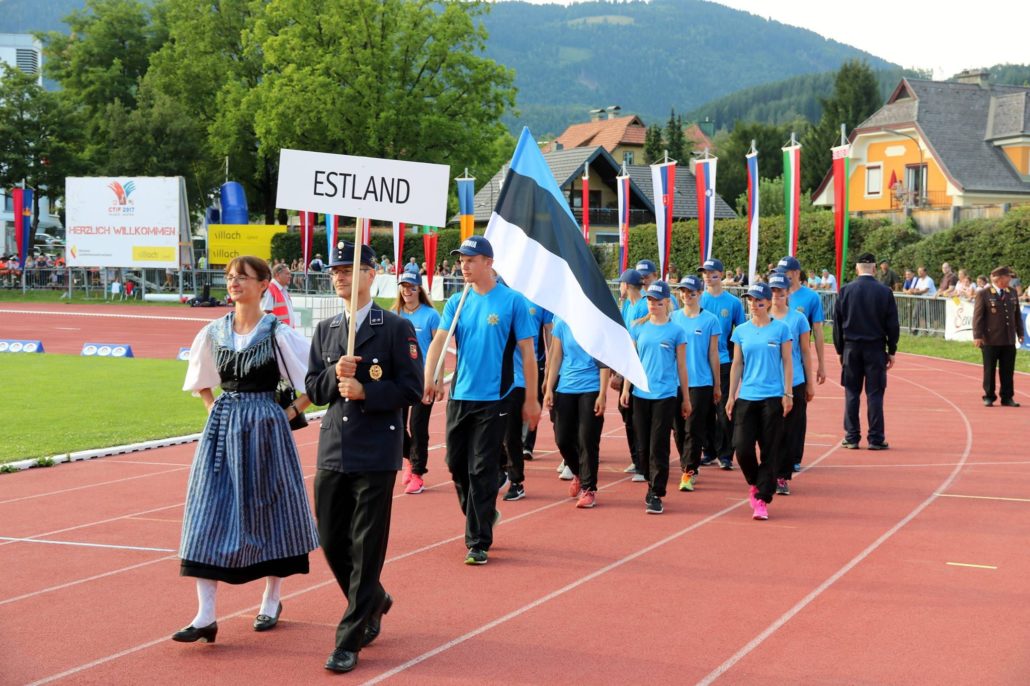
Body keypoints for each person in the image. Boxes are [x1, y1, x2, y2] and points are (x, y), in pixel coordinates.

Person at [175, 255, 319, 645]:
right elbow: (201, 379)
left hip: (266, 429)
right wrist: (213, 409)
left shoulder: (277, 332)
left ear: (264, 284)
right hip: (223, 430)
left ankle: (272, 598)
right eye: (230, 277)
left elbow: (315, 377)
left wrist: (290, 411)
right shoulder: (212, 332)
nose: (234, 283)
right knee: (207, 509)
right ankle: (206, 615)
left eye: (243, 277)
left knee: (270, 508)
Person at [305, 242, 424, 674]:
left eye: (348, 268)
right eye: (334, 270)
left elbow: (413, 389)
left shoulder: (394, 328)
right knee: (331, 538)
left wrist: (367, 392)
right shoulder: (327, 329)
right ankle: (373, 597)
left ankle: (349, 638)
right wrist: (334, 377)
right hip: (334, 448)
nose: (338, 276)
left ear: (372, 274)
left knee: (367, 545)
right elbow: (314, 389)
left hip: (376, 450)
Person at [422, 236, 540, 565]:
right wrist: (430, 376)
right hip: (461, 394)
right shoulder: (457, 302)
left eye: (471, 260)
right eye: (461, 260)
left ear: (489, 262)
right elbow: (439, 341)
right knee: (455, 465)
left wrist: (532, 399)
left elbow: (529, 355)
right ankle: (483, 513)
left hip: (496, 397)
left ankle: (477, 541)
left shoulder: (512, 301)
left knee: (481, 468)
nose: (464, 265)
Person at [620, 281, 691, 515]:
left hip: (666, 394)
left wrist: (686, 398)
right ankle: (651, 480)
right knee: (643, 445)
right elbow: (632, 361)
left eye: (658, 301)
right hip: (641, 393)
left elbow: (682, 366)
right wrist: (625, 389)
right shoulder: (637, 327)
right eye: (650, 300)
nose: (653, 304)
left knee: (658, 443)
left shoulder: (677, 331)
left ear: (667, 302)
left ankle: (656, 492)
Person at [725, 283, 793, 520]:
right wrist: (731, 396)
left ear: (768, 301)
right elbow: (737, 364)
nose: (754, 304)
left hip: (773, 397)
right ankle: (755, 482)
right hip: (747, 396)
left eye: (758, 300)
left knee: (770, 448)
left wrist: (788, 393)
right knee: (742, 447)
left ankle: (762, 498)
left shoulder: (781, 329)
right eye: (750, 300)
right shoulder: (741, 331)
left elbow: (787, 362)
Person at [833, 253, 900, 450]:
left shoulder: (845, 291)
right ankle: (876, 438)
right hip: (875, 348)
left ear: (856, 268)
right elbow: (892, 324)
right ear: (876, 267)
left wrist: (839, 349)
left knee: (852, 392)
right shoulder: (884, 292)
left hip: (851, 348)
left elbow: (837, 324)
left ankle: (852, 436)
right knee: (875, 393)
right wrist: (892, 349)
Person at [543, 315, 610, 508]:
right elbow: (556, 357)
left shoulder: (597, 325)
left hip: (591, 387)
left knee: (587, 439)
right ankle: (579, 473)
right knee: (562, 438)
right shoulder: (563, 324)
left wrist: (602, 393)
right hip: (566, 387)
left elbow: (604, 362)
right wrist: (549, 388)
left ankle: (589, 489)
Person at [774, 255, 827, 471]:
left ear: (796, 273)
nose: (781, 277)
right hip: (772, 370)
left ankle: (794, 456)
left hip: (795, 366)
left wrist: (821, 364)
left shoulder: (811, 298)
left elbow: (818, 332)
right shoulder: (773, 295)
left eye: (785, 272)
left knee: (797, 414)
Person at [671, 275, 721, 492]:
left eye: (691, 292)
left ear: (700, 294)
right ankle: (687, 463)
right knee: (678, 428)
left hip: (700, 382)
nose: (687, 296)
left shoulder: (710, 320)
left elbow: (713, 354)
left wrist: (717, 385)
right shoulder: (672, 318)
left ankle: (688, 470)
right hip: (674, 382)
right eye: (683, 292)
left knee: (694, 427)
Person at [393, 271, 441, 494]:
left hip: (423, 380)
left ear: (419, 289)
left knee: (418, 426)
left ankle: (418, 473)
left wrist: (437, 379)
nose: (407, 290)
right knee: (397, 426)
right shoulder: (395, 314)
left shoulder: (431, 315)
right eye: (403, 286)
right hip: (399, 379)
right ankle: (409, 459)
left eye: (411, 286)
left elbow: (439, 349)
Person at [768, 272, 815, 495]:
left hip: (794, 381)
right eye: (773, 291)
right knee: (767, 431)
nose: (776, 296)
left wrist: (809, 383)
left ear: (788, 294)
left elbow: (805, 351)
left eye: (780, 292)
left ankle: (782, 477)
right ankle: (768, 470)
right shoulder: (760, 315)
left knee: (788, 431)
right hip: (766, 384)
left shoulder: (798, 319)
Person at [699, 257, 745, 471]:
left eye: (712, 272)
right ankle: (708, 451)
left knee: (724, 408)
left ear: (721, 273)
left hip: (724, 362)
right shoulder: (698, 300)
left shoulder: (733, 303)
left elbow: (742, 333)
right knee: (704, 410)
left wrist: (742, 361)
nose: (708, 276)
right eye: (705, 273)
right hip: (700, 364)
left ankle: (725, 454)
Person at [973, 266, 1025, 408]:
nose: (1010, 279)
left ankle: (1007, 397)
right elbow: (978, 317)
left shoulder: (1012, 292)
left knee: (1008, 369)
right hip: (990, 338)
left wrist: (1020, 332)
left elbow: (1017, 315)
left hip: (1008, 338)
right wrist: (977, 335)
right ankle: (989, 396)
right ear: (999, 279)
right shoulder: (984, 294)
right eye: (1008, 277)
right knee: (989, 369)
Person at [613, 268, 647, 479]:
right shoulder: (627, 305)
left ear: (627, 285)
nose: (620, 288)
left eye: (621, 284)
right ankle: (636, 459)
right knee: (626, 411)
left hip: (640, 368)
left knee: (637, 415)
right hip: (627, 366)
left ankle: (643, 463)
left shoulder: (644, 306)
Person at [261, 263, 297, 328]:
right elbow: (265, 314)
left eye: (290, 274)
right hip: (276, 335)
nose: (290, 276)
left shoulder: (282, 290)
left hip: (284, 333)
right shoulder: (270, 289)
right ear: (277, 275)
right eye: (287, 274)